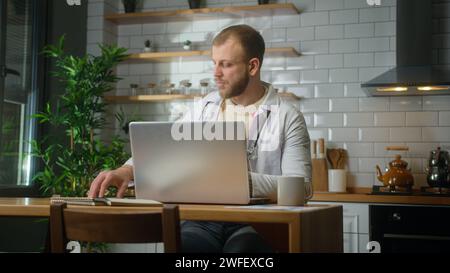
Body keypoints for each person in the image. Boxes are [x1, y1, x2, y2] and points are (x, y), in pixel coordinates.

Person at [88, 24, 311, 253]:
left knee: (242, 251)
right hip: (204, 220)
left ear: (253, 66)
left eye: (226, 64)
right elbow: (164, 150)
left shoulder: (287, 116)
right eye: (214, 63)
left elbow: (301, 187)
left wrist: (238, 181)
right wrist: (126, 171)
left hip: (257, 222)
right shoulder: (203, 108)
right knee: (185, 248)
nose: (216, 73)